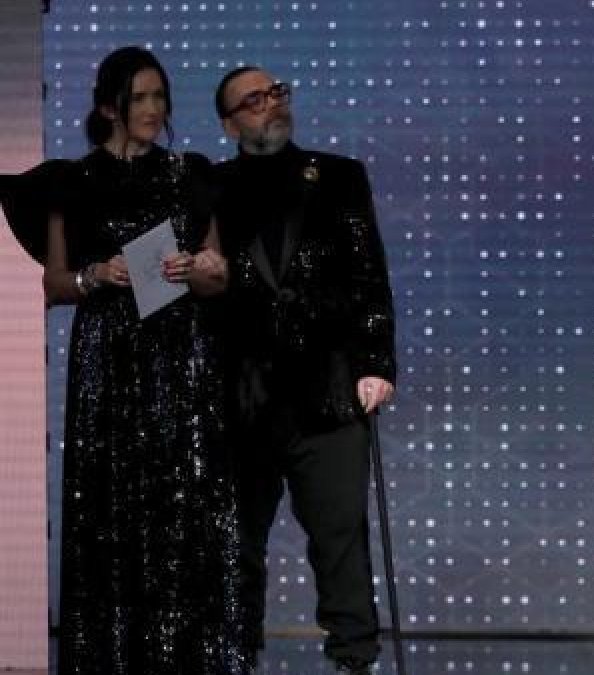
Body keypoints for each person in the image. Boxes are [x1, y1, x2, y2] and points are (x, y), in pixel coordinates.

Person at [0, 46, 246, 673]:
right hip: (108, 357)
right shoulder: (72, 181)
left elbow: (218, 278)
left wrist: (204, 268)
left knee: (187, 501)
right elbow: (55, 284)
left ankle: (193, 658)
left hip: (181, 355)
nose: (153, 108)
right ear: (109, 104)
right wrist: (95, 274)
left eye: (159, 96)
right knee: (110, 508)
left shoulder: (191, 174)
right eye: (139, 97)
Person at [211, 65, 397, 674]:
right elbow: (172, 278)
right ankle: (237, 653)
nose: (272, 105)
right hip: (242, 392)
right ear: (229, 121)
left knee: (340, 536)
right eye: (255, 99)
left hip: (327, 385)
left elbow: (370, 275)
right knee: (237, 544)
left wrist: (377, 363)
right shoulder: (207, 188)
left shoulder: (338, 177)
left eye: (276, 93)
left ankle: (354, 657)